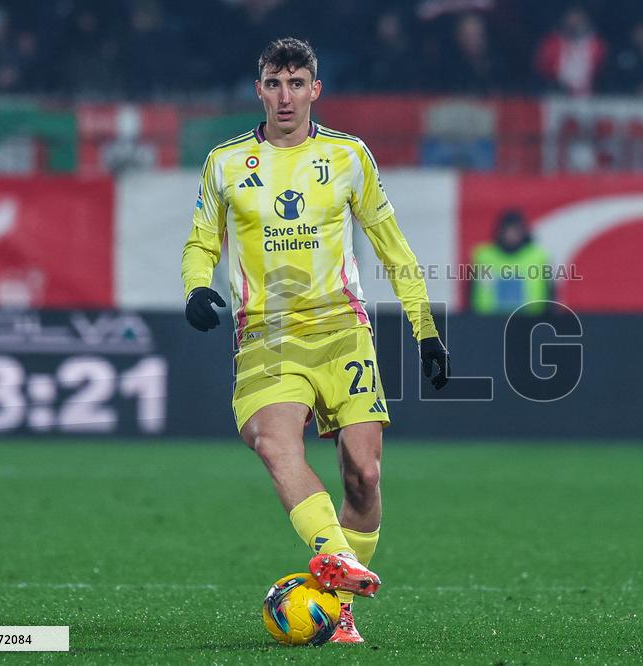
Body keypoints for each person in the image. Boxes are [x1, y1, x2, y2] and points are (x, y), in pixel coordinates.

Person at [180, 37, 450, 644]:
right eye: (273, 83)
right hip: (267, 334)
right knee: (275, 444)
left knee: (364, 476)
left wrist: (425, 330)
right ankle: (333, 555)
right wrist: (197, 287)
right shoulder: (224, 162)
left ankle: (336, 605)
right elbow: (202, 241)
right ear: (259, 89)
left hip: (341, 330)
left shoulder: (350, 155)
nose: (284, 96)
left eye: (296, 83)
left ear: (314, 90)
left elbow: (392, 246)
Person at [470, 209, 552, 315]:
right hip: (489, 322)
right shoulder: (483, 256)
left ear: (523, 232)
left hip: (530, 321)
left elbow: (551, 294)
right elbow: (470, 294)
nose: (511, 235)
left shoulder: (538, 256)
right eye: (507, 231)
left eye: (515, 231)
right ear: (499, 231)